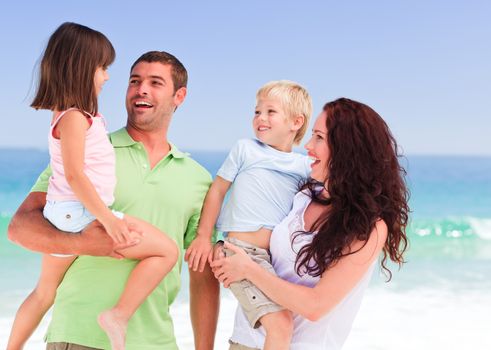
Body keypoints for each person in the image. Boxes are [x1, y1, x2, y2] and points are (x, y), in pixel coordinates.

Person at [8, 49, 219, 349]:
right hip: (79, 336)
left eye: (156, 83)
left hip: (157, 343)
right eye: (135, 81)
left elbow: (202, 276)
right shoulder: (88, 151)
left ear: (179, 96)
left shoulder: (199, 179)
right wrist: (85, 244)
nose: (141, 89)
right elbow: (20, 228)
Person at [211, 98, 409, 350]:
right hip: (245, 341)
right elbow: (255, 237)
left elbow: (315, 306)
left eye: (318, 137)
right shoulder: (302, 196)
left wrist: (249, 270)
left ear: (347, 149)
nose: (307, 145)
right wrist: (224, 251)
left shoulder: (368, 227)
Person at [185, 80, 312, 350]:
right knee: (281, 324)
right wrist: (204, 237)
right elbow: (218, 191)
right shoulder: (246, 149)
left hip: (271, 262)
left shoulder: (304, 166)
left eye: (270, 112)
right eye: (257, 112)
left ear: (296, 122)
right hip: (239, 252)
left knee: (284, 324)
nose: (260, 118)